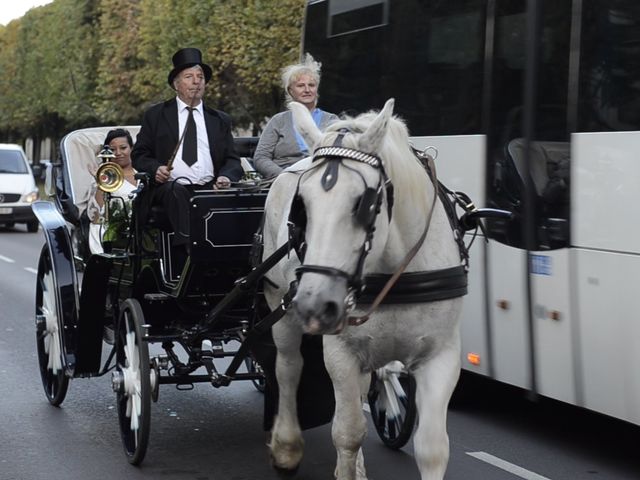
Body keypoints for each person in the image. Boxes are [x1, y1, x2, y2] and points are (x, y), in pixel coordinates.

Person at [131, 47, 243, 251]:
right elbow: (139, 154)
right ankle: (189, 248)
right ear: (176, 84)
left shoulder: (219, 119)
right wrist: (156, 169)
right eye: (189, 76)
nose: (196, 81)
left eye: (200, 77)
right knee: (177, 192)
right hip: (168, 188)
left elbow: (232, 160)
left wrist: (226, 177)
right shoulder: (156, 115)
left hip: (209, 187)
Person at [253, 53, 338, 179]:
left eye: (311, 85)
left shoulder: (332, 120)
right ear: (290, 91)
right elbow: (261, 158)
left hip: (320, 180)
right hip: (284, 181)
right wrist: (284, 176)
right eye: (300, 86)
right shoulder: (278, 121)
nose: (307, 90)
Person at [87, 128, 138, 254]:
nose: (119, 153)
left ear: (131, 148)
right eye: (113, 150)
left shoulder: (142, 173)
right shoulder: (105, 177)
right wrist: (100, 182)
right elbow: (98, 214)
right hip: (115, 232)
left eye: (123, 147)